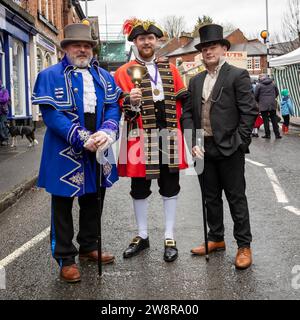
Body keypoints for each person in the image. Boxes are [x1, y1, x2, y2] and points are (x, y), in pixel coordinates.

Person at [32, 23, 122, 283]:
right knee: (62, 204)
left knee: (94, 199)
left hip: (100, 145)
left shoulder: (105, 76)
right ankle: (65, 258)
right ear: (66, 48)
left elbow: (113, 107)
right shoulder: (50, 75)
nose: (82, 49)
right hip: (65, 149)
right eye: (76, 45)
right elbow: (51, 115)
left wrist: (107, 131)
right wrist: (81, 137)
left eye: (87, 46)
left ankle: (88, 246)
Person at [181, 24, 258, 270]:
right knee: (210, 197)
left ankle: (244, 246)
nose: (208, 51)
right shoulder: (195, 81)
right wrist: (193, 143)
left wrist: (239, 143)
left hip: (230, 149)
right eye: (204, 48)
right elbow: (188, 115)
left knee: (236, 198)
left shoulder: (237, 75)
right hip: (204, 148)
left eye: (212, 46)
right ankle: (216, 238)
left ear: (224, 48)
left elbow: (249, 112)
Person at [114, 18, 189, 263]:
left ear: (157, 41)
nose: (146, 42)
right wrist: (130, 102)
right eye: (141, 38)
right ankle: (143, 235)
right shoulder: (124, 72)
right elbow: (118, 108)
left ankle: (169, 236)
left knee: (170, 185)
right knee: (139, 188)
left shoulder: (171, 69)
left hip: (168, 135)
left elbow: (183, 103)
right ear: (134, 42)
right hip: (138, 136)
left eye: (150, 38)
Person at [254, 74, 282, 139]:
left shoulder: (259, 85)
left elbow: (255, 95)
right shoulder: (273, 84)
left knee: (265, 120)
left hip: (263, 104)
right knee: (274, 119)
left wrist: (259, 101)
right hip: (272, 104)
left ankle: (268, 135)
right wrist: (272, 98)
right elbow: (277, 93)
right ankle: (277, 135)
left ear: (260, 78)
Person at [0, 80, 10, 146]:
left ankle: (5, 139)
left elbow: (5, 99)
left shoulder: (4, 90)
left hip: (3, 111)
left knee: (3, 126)